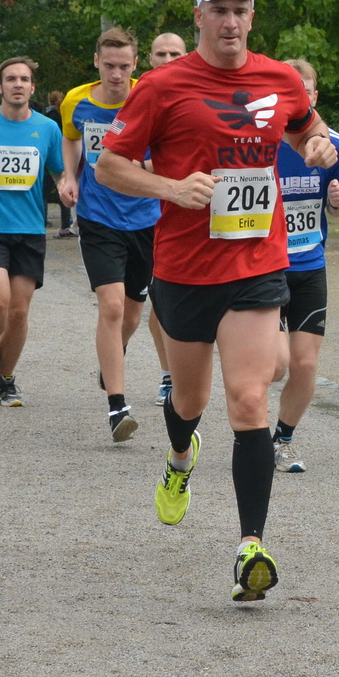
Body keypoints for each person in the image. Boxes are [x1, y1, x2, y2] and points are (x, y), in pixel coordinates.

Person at [96, 0, 337, 602]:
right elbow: (110, 165)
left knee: (249, 399)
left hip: (258, 260)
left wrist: (315, 146)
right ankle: (180, 460)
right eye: (218, 9)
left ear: (252, 17)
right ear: (199, 15)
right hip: (183, 268)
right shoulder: (163, 86)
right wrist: (172, 188)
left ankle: (250, 546)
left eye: (240, 10)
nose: (230, 21)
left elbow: (308, 125)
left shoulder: (280, 77)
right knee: (190, 401)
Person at [58, 28, 160, 441]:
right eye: (109, 65)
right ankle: (118, 407)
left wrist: (141, 169)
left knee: (133, 313)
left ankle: (110, 360)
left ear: (135, 64)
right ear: (96, 62)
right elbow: (70, 139)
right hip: (99, 218)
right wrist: (69, 175)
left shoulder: (148, 97)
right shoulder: (75, 101)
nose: (116, 74)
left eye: (124, 66)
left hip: (146, 216)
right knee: (112, 307)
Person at [0, 57, 65, 407]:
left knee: (19, 312)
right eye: (11, 79)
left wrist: (67, 187)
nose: (18, 84)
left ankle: (6, 380)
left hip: (29, 229)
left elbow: (59, 171)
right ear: (0, 86)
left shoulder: (47, 128)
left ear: (33, 87)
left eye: (24, 79)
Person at [270, 57, 339, 473]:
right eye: (291, 90)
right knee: (274, 364)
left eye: (305, 90)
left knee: (303, 363)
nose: (298, 97)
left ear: (314, 98)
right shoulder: (258, 142)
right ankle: (247, 424)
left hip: (309, 265)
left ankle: (282, 440)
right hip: (265, 267)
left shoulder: (334, 145)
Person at [144, 31, 187, 404]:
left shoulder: (198, 91)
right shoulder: (147, 94)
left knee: (162, 304)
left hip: (179, 220)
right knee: (133, 309)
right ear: (150, 57)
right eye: (162, 53)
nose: (169, 58)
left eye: (176, 52)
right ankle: (167, 371)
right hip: (141, 210)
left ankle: (171, 372)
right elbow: (121, 162)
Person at [44, 90, 76, 239]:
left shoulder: (49, 119)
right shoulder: (60, 115)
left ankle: (46, 220)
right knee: (63, 188)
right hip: (62, 154)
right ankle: (65, 224)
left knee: (50, 189)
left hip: (55, 155)